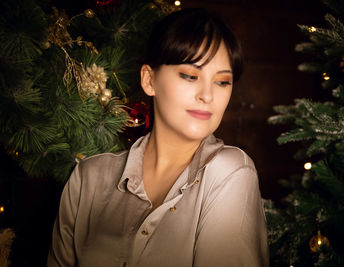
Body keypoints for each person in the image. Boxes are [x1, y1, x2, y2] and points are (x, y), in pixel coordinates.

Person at [47, 8, 269, 267]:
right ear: (149, 80)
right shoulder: (89, 177)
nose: (207, 96)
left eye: (222, 82)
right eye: (190, 76)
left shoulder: (230, 172)